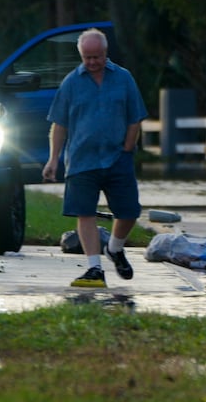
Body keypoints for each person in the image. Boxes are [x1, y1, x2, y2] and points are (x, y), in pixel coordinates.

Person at [43, 28, 148, 288]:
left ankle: (114, 248)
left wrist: (127, 147)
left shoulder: (123, 78)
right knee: (85, 213)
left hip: (117, 157)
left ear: (105, 53)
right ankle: (94, 268)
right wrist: (53, 158)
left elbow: (135, 117)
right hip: (82, 160)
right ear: (81, 55)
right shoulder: (71, 83)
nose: (92, 62)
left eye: (96, 57)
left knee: (129, 211)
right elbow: (59, 124)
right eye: (87, 57)